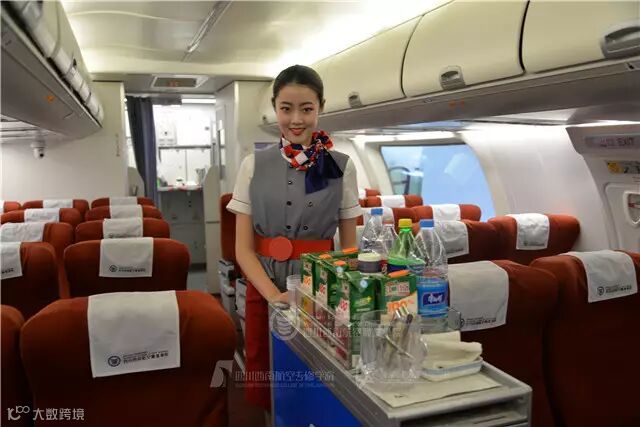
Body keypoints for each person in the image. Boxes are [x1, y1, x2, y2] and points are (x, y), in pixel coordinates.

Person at [226, 64, 362, 411]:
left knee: (318, 383)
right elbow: (242, 249)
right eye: (286, 108)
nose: (296, 119)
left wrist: (324, 296)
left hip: (322, 292)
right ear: (275, 108)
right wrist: (275, 297)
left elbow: (349, 249)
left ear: (320, 108)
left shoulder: (341, 166)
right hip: (265, 288)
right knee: (269, 379)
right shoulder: (252, 165)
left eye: (306, 108)